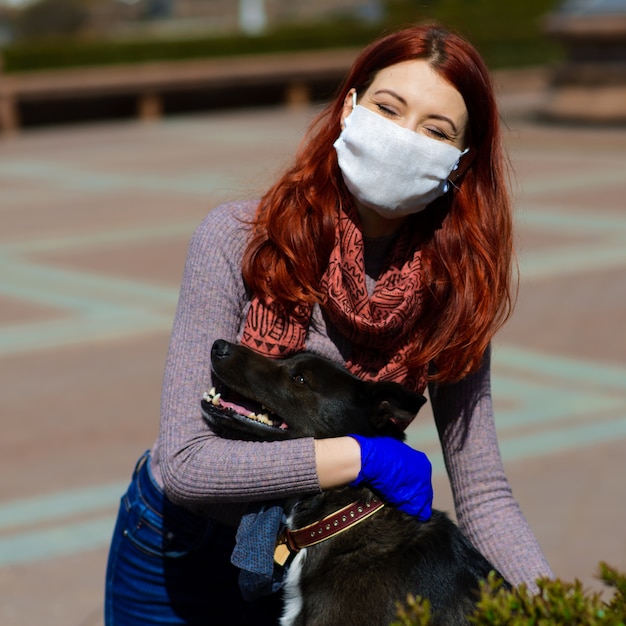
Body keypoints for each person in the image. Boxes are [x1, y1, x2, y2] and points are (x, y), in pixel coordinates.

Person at [104, 22, 554, 625]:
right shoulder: (242, 239)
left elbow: (483, 496)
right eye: (388, 109)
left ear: (460, 160)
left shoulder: (453, 292)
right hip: (180, 550)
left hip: (315, 566)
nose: (404, 138)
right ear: (349, 108)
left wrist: (562, 611)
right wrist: (360, 458)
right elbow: (189, 464)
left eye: (435, 130)